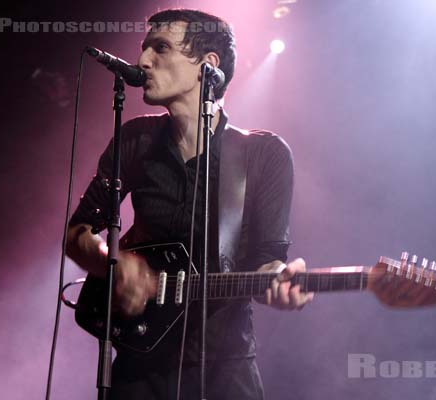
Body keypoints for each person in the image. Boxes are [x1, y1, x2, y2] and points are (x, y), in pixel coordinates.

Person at [66, 8, 312, 400]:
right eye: (144, 48)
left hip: (223, 367)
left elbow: (269, 258)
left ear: (207, 66)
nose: (143, 60)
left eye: (160, 48)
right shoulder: (135, 140)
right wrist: (112, 263)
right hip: (138, 365)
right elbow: (78, 231)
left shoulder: (263, 154)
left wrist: (279, 281)